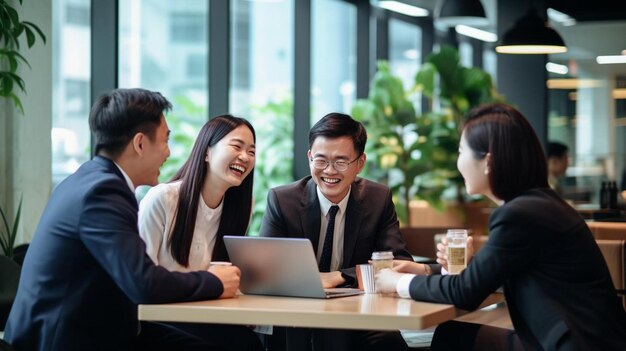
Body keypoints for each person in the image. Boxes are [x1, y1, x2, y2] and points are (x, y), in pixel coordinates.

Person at [4, 88, 245, 351]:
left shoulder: (88, 178)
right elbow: (144, 283)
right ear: (140, 143)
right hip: (66, 340)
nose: (168, 153)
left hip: (101, 327)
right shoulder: (103, 192)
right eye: (165, 141)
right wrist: (215, 282)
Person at [376, 103, 626, 350]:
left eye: (462, 151)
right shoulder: (539, 204)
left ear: (487, 161)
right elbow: (487, 277)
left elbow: (466, 293)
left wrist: (398, 281)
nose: (458, 162)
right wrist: (424, 270)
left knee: (453, 338)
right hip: (589, 339)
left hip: (572, 344)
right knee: (454, 335)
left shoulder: (520, 214)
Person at [260, 112, 413, 351]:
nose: (330, 171)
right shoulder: (282, 200)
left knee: (388, 341)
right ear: (310, 158)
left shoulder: (377, 199)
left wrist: (341, 276)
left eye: (341, 162)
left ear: (360, 163)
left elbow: (400, 263)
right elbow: (266, 271)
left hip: (356, 314)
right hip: (296, 311)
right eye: (321, 160)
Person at [138, 115, 262, 350]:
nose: (245, 157)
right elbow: (141, 282)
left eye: (252, 152)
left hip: (208, 315)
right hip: (163, 320)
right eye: (236, 146)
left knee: (252, 342)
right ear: (207, 152)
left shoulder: (242, 206)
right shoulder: (163, 198)